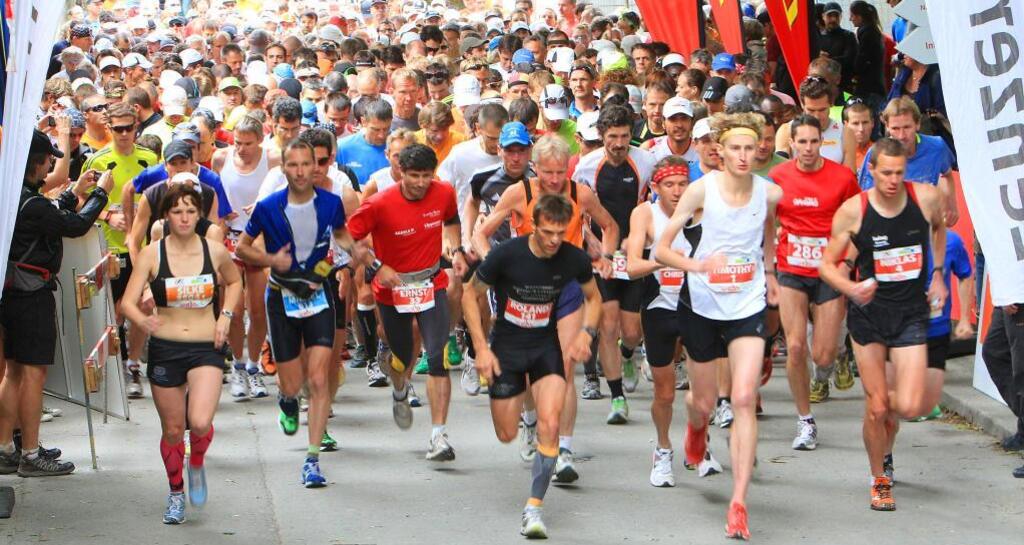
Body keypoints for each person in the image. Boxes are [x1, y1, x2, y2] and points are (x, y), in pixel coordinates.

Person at [654, 112, 782, 539]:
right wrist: (699, 265)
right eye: (736, 149)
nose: (745, 156)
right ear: (720, 152)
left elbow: (767, 234)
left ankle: (739, 503)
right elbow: (662, 248)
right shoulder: (700, 191)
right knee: (703, 402)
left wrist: (770, 272)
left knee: (744, 397)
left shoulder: (770, 192)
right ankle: (695, 429)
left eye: (751, 148)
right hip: (702, 305)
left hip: (747, 304)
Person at [474, 135, 618, 483]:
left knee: (564, 367)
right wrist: (492, 264)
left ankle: (563, 448)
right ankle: (530, 418)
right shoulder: (518, 193)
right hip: (525, 288)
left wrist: (607, 258)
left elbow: (610, 225)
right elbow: (483, 232)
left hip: (567, 287)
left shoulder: (579, 194)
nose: (555, 180)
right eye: (548, 172)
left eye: (560, 172)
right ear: (535, 168)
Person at [819, 137, 947, 511]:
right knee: (877, 407)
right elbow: (827, 265)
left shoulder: (925, 198)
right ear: (870, 170)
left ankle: (882, 424)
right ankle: (879, 478)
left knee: (906, 406)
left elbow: (939, 230)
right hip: (870, 316)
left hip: (910, 313)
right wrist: (851, 287)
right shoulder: (853, 211)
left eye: (899, 173)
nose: (893, 180)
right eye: (885, 173)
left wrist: (937, 273)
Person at [464, 192, 601, 539]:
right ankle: (520, 410)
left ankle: (534, 507)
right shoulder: (506, 255)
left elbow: (594, 297)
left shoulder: (573, 258)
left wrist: (586, 332)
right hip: (507, 350)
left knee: (550, 424)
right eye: (547, 233)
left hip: (545, 348)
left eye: (561, 232)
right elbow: (470, 293)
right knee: (506, 434)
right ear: (532, 226)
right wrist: (481, 347)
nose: (555, 241)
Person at [236, 139, 356, 488]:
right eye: (295, 165)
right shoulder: (268, 207)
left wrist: (358, 255)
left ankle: (312, 459)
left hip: (318, 295)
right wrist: (272, 260)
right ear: (284, 169)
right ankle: (287, 398)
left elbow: (343, 236)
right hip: (282, 297)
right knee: (292, 381)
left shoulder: (331, 203)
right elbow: (243, 246)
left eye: (308, 164)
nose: (303, 171)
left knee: (318, 379)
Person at [120, 183, 242, 524]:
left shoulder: (213, 251)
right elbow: (127, 303)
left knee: (200, 422)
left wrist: (226, 317)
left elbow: (234, 282)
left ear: (199, 214)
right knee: (173, 430)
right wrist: (145, 321)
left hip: (206, 347)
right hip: (166, 348)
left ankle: (197, 462)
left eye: (191, 211)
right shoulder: (152, 254)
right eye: (177, 211)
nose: (185, 217)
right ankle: (176, 493)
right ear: (166, 216)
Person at [0, 131, 113, 478]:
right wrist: (100, 194)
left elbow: (47, 216)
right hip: (32, 295)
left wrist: (73, 193)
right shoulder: (30, 202)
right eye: (50, 157)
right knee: (33, 373)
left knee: (14, 371)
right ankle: (30, 454)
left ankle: (6, 447)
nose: (53, 162)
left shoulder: (15, 196)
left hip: (13, 294)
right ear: (37, 161)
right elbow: (75, 226)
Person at [347, 143, 468, 461]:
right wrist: (376, 267)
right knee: (401, 357)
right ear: (400, 172)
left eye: (427, 175)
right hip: (392, 287)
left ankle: (438, 436)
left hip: (432, 283)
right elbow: (350, 238)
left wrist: (454, 249)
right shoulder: (379, 203)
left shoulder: (443, 193)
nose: (421, 182)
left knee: (438, 357)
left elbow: (452, 219)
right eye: (414, 175)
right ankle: (400, 388)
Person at [769, 115, 861, 449]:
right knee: (795, 346)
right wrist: (769, 266)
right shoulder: (778, 176)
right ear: (791, 143)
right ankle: (805, 421)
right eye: (802, 142)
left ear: (823, 142)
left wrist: (848, 262)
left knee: (822, 354)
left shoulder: (843, 178)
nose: (808, 148)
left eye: (814, 141)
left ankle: (831, 363)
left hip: (829, 270)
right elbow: (768, 222)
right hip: (791, 269)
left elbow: (856, 224)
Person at [573, 104, 656, 424]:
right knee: (608, 325)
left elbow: (653, 202)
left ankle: (628, 355)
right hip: (601, 256)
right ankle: (617, 396)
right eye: (612, 137)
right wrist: (589, 242)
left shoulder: (645, 161)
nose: (619, 143)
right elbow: (577, 208)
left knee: (632, 331)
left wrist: (641, 238)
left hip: (633, 254)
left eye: (624, 136)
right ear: (601, 136)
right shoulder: (587, 166)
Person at [624, 156, 696, 487]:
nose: (678, 191)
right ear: (655, 188)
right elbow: (632, 266)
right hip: (659, 309)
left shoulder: (701, 213)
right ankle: (663, 449)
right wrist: (663, 261)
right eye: (670, 184)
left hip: (699, 309)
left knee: (705, 391)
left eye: (683, 183)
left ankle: (699, 443)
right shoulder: (645, 214)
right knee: (665, 393)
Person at [82, 101, 160, 398]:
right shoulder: (98, 160)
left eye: (129, 128)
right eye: (118, 129)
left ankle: (134, 366)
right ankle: (113, 370)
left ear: (136, 127)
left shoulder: (149, 157)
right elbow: (82, 203)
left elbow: (162, 194)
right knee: (115, 313)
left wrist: (145, 211)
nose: (125, 134)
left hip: (140, 247)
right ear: (109, 128)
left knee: (142, 305)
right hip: (110, 249)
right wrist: (108, 215)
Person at [210, 115, 278, 399]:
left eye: (248, 144)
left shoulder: (272, 160)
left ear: (259, 141)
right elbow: (215, 196)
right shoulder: (220, 158)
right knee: (234, 311)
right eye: (237, 142)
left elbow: (282, 190)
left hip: (260, 239)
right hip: (231, 237)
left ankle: (253, 366)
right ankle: (238, 365)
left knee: (259, 309)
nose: (241, 148)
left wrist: (263, 205)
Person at [857, 97, 958, 226]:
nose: (901, 136)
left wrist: (950, 204)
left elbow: (947, 173)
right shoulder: (875, 154)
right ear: (887, 127)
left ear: (917, 124)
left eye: (906, 127)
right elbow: (865, 198)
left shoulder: (936, 147)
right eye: (895, 129)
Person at [775, 76, 858, 171]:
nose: (817, 116)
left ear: (831, 104)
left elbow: (849, 176)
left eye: (822, 110)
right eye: (811, 110)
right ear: (802, 105)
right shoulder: (787, 130)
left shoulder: (845, 133)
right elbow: (781, 172)